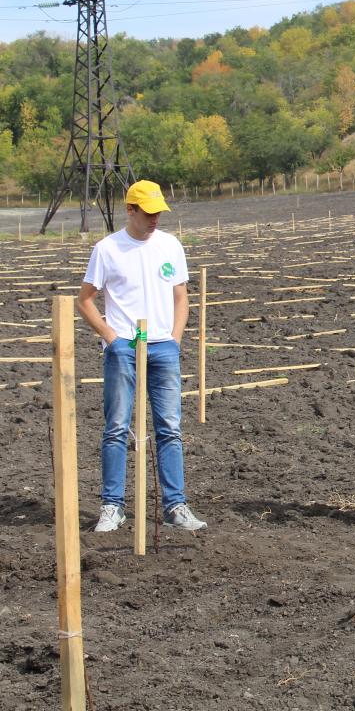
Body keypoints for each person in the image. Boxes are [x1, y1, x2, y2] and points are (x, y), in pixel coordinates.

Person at [76, 180, 207, 533]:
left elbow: (181, 296)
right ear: (130, 210)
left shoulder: (171, 246)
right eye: (148, 213)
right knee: (117, 427)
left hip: (164, 347)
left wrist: (175, 339)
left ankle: (175, 506)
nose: (154, 220)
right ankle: (112, 506)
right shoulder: (107, 249)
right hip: (125, 349)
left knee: (170, 427)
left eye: (158, 213)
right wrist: (112, 339)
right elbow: (84, 299)